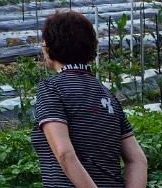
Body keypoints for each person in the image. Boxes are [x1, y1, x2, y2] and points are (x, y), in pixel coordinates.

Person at [31, 11, 148, 188]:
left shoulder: (51, 88)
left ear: (49, 47)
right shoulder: (107, 95)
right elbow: (137, 159)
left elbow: (64, 153)